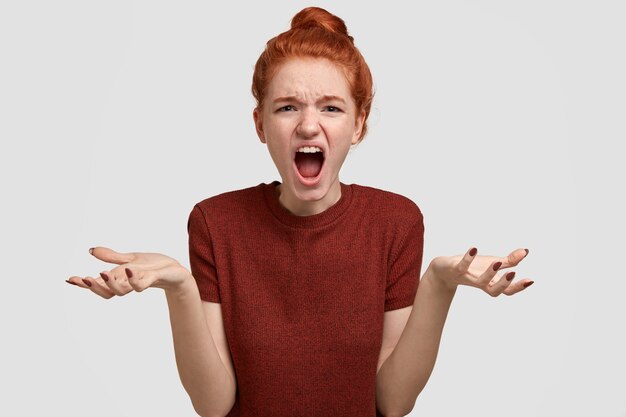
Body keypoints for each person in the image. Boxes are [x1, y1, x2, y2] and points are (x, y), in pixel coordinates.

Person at [66, 6, 534, 417]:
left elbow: (392, 402)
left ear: (358, 124)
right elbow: (214, 405)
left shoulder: (396, 222)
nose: (309, 124)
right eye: (287, 107)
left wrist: (439, 284)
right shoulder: (215, 222)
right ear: (261, 124)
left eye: (331, 108)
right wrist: (179, 288)